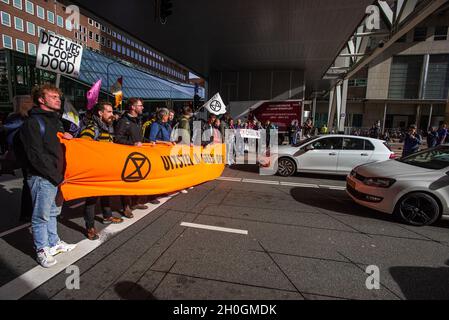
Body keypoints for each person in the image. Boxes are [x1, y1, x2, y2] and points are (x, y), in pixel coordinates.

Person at [19, 84, 76, 268]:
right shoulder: (32, 123)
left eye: (58, 96)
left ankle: (54, 243)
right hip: (42, 177)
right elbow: (35, 156)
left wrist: (66, 137)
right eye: (53, 96)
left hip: (56, 176)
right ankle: (41, 249)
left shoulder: (55, 121)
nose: (58, 99)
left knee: (53, 212)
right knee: (40, 216)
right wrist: (56, 176)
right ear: (41, 100)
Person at [79, 101, 123, 240]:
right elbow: (83, 147)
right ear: (100, 113)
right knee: (91, 201)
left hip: (105, 170)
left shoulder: (107, 128)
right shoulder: (92, 129)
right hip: (94, 172)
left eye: (112, 112)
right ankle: (90, 227)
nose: (112, 115)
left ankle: (107, 216)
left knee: (106, 194)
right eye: (109, 112)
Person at [114, 97, 149, 216]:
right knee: (127, 182)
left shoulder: (137, 120)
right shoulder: (123, 121)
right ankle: (126, 207)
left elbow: (139, 138)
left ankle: (135, 202)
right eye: (140, 105)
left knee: (138, 180)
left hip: (137, 155)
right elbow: (117, 139)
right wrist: (132, 144)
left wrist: (150, 142)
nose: (142, 107)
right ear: (133, 107)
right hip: (126, 156)